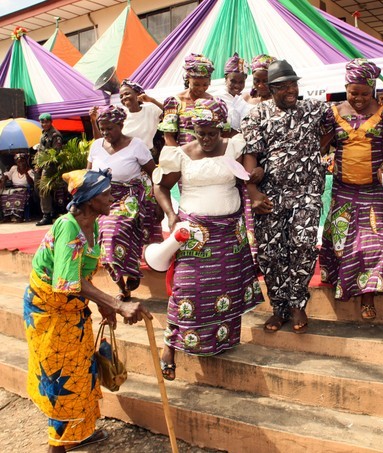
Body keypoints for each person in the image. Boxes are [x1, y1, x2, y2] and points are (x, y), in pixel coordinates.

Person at [24, 168, 150, 453]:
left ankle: (79, 432)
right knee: (62, 376)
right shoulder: (68, 225)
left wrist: (103, 306)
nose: (111, 197)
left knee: (82, 372)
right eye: (105, 194)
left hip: (71, 309)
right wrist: (115, 303)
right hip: (50, 313)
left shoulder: (91, 224)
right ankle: (57, 446)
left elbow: (81, 274)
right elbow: (68, 280)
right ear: (90, 198)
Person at [153, 98, 263, 380]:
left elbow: (247, 178)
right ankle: (170, 346)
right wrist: (171, 215)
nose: (206, 139)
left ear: (221, 127)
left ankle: (220, 341)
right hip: (195, 234)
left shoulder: (235, 146)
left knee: (226, 288)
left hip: (229, 234)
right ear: (192, 129)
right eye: (201, 133)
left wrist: (253, 180)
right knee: (186, 288)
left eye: (212, 132)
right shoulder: (180, 154)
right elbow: (160, 187)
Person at [241, 60, 330, 334]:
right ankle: (279, 308)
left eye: (293, 84)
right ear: (270, 88)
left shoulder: (314, 109)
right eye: (283, 86)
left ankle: (297, 305)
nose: (290, 90)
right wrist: (253, 194)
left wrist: (314, 152)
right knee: (271, 254)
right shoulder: (257, 115)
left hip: (306, 193)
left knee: (302, 248)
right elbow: (250, 156)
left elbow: (339, 124)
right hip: (270, 196)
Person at [319, 58, 383, 320]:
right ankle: (342, 284)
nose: (358, 98)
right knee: (342, 243)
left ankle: (368, 296)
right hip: (343, 189)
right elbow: (321, 146)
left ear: (374, 88)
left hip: (373, 190)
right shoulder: (332, 112)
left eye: (365, 93)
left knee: (375, 243)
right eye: (353, 92)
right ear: (345, 87)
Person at [88, 105, 156, 301]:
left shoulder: (136, 145)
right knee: (104, 243)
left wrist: (157, 203)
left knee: (116, 231)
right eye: (103, 128)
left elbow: (154, 174)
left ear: (121, 124)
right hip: (101, 199)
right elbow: (89, 176)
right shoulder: (96, 146)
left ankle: (132, 270)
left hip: (128, 198)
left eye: (110, 128)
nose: (106, 133)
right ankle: (122, 286)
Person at [159, 53, 215, 147]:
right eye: (196, 84)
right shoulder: (175, 101)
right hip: (183, 154)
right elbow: (168, 136)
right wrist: (181, 157)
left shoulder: (214, 102)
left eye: (205, 84)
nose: (201, 88)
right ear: (188, 79)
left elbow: (222, 133)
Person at [35, 112, 64, 226]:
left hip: (51, 166)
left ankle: (46, 215)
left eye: (46, 121)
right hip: (42, 165)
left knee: (44, 189)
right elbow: (40, 151)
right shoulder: (43, 134)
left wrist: (44, 163)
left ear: (51, 122)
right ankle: (50, 211)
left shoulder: (55, 135)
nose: (44, 124)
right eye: (42, 122)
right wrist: (38, 164)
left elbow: (55, 153)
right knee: (38, 189)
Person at [213, 52, 252, 133]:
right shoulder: (216, 98)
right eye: (233, 81)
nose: (237, 86)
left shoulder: (247, 99)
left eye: (241, 82)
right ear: (226, 78)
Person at [0, 153, 35, 222]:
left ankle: (19, 216)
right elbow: (7, 175)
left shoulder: (30, 170)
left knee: (18, 195)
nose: (21, 163)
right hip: (14, 188)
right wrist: (3, 180)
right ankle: (7, 216)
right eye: (18, 161)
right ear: (16, 162)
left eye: (22, 161)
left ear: (26, 161)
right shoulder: (14, 168)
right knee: (4, 196)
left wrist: (26, 173)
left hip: (25, 189)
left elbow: (31, 182)